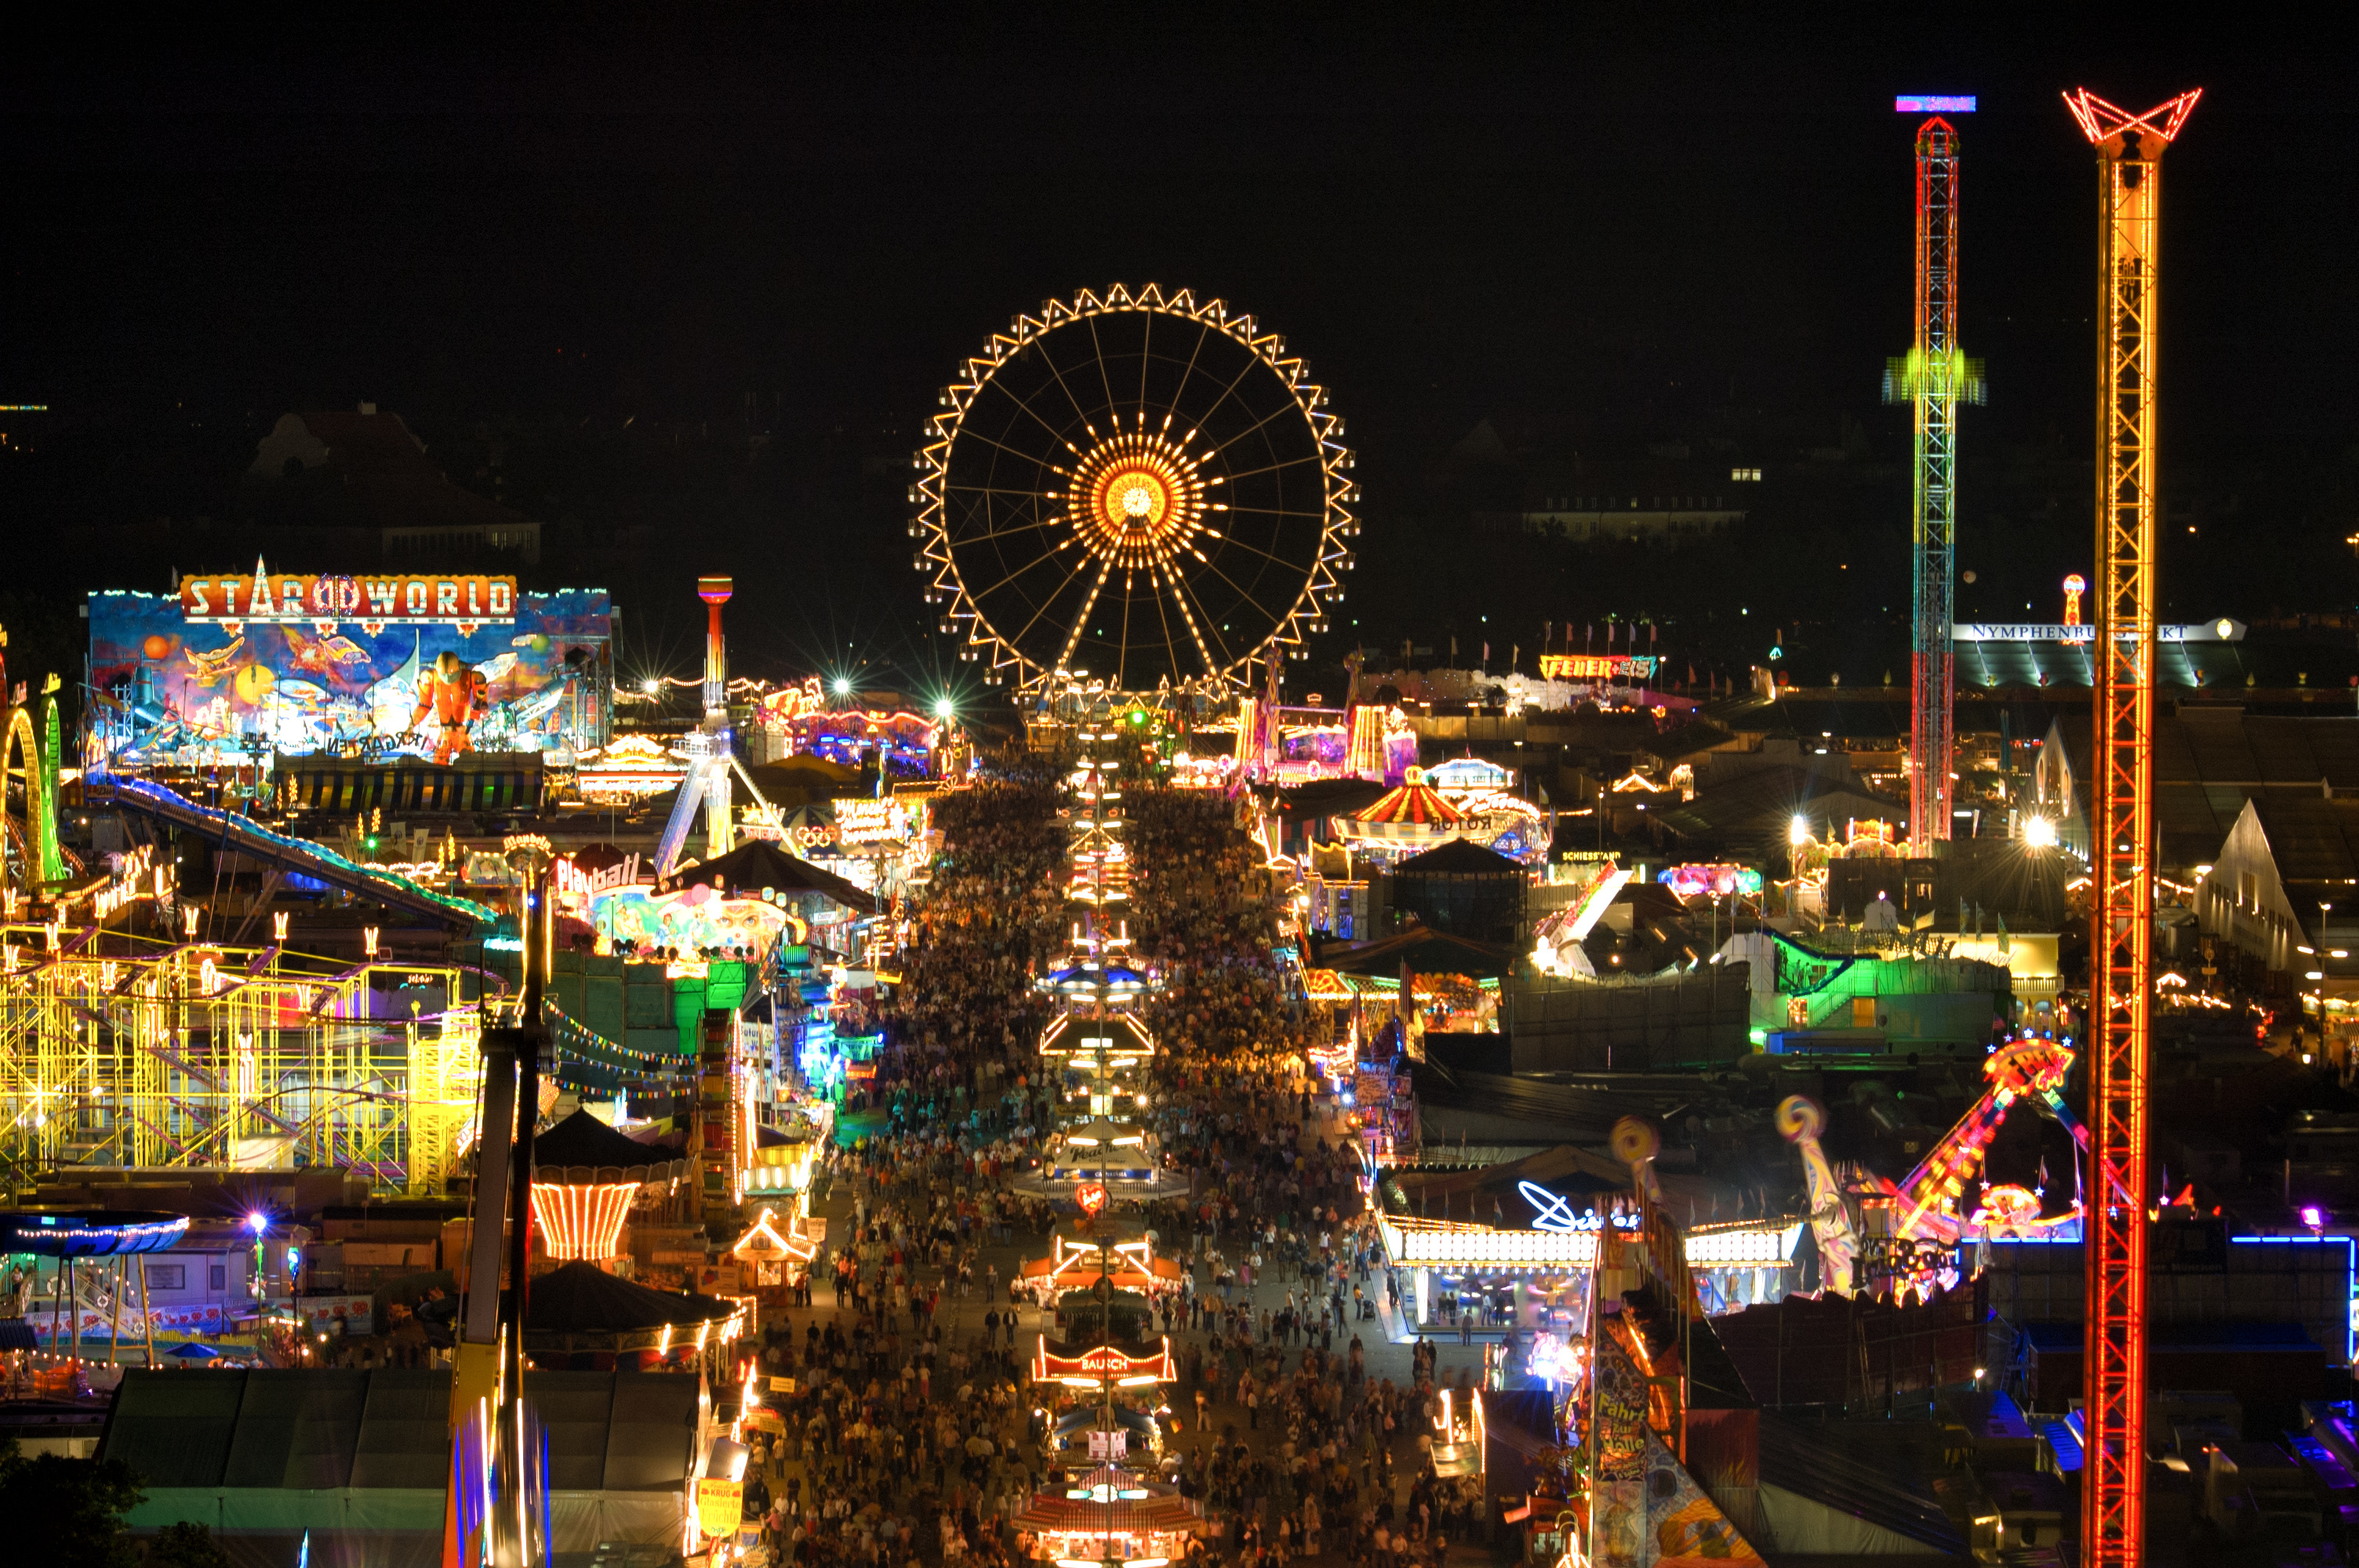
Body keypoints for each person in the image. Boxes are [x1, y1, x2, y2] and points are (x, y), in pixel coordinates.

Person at [406, 650, 489, 764]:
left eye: (451, 675)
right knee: (440, 770)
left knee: (470, 767)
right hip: (446, 732)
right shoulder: (430, 678)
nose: (448, 679)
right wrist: (411, 727)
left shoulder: (472, 677)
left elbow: (481, 704)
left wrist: (483, 707)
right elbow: (423, 706)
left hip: (463, 732)